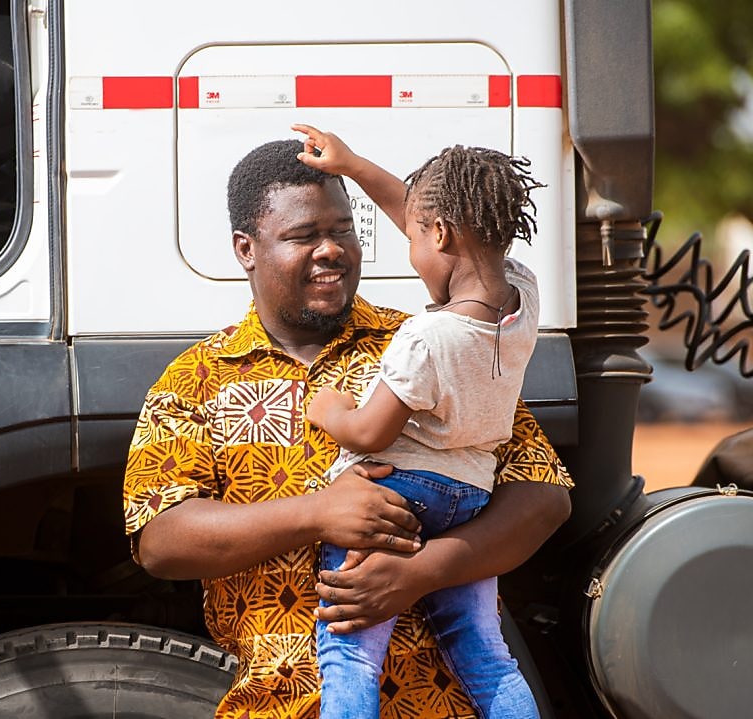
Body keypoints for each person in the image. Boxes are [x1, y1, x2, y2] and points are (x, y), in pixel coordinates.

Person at [122, 135, 572, 719]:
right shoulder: (197, 379)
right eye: (304, 236)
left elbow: (543, 496)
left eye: (343, 230)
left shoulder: (429, 342)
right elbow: (160, 541)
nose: (331, 250)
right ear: (246, 249)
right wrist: (319, 512)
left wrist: (422, 572)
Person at [296, 124, 545, 719]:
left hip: (397, 492)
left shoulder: (427, 338)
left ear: (440, 233)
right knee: (487, 657)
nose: (411, 248)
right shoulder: (523, 295)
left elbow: (370, 433)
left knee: (351, 657)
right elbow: (428, 218)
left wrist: (330, 410)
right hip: (471, 495)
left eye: (415, 237)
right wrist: (354, 165)